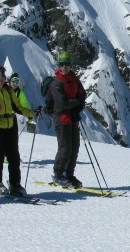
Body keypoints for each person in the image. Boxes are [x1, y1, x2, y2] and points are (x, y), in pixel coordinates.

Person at [0, 66, 29, 196]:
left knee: (14, 156)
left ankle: (15, 184)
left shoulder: (9, 91)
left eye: (1, 77)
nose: (0, 80)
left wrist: (32, 113)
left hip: (10, 126)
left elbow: (18, 107)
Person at [49, 52, 87, 188]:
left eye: (67, 64)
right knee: (65, 147)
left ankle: (68, 174)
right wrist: (76, 102)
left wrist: (76, 108)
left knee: (74, 147)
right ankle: (58, 174)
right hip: (61, 119)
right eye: (62, 64)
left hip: (72, 118)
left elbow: (83, 96)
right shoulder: (56, 83)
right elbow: (61, 104)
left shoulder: (74, 80)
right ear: (59, 66)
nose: (65, 67)